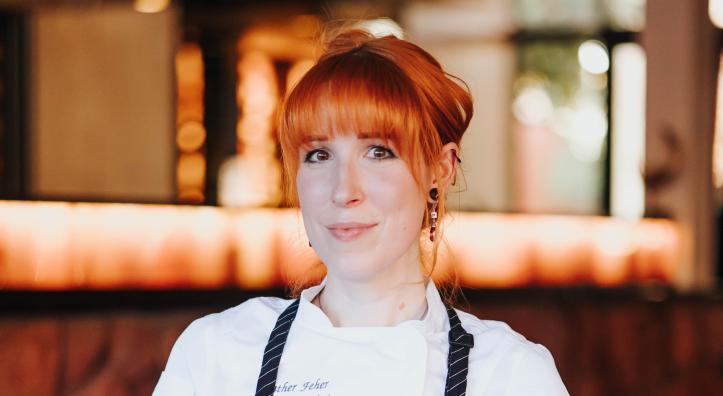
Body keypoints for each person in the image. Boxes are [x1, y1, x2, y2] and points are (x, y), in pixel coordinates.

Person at [154, 27, 569, 396]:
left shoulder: (511, 375)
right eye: (318, 155)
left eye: (378, 152)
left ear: (440, 169)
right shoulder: (215, 354)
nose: (343, 190)